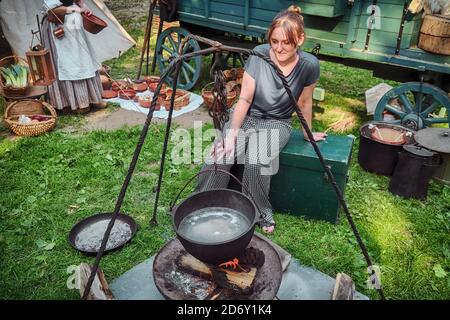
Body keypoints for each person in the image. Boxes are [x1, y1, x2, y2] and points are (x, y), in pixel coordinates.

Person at [196, 6, 327, 234]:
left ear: (300, 39)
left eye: (286, 42)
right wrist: (232, 133)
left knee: (257, 160)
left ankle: (258, 211)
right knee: (221, 153)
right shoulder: (259, 54)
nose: (279, 48)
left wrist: (307, 133)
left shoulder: (309, 65)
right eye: (274, 41)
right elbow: (244, 99)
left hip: (278, 122)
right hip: (247, 116)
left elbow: (304, 103)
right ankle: (203, 202)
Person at [42, 0, 105, 113]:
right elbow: (52, 9)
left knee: (83, 58)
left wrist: (83, 6)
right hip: (58, 26)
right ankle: (74, 103)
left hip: (73, 23)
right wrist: (75, 9)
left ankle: (92, 99)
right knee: (68, 62)